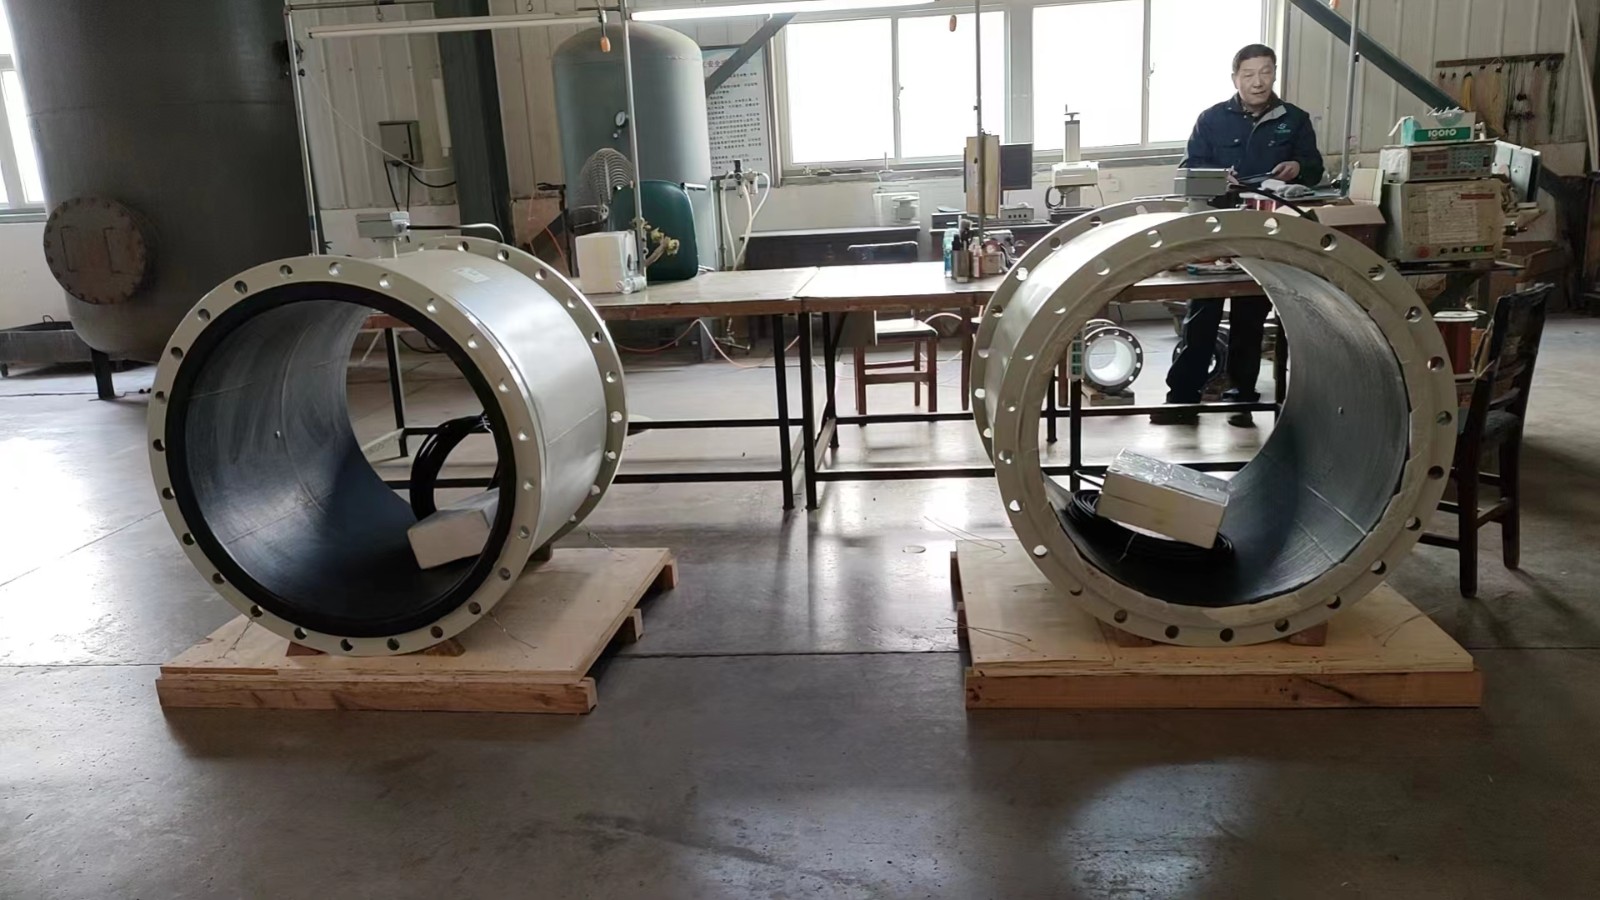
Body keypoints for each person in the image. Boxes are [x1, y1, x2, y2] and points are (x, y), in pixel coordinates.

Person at [1154, 43, 1324, 427]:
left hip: (1265, 230)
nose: (1257, 81)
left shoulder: (1294, 119)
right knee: (1202, 313)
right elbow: (1190, 170)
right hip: (1216, 227)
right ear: (1235, 79)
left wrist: (1298, 167)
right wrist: (1218, 178)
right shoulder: (1212, 119)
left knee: (1251, 314)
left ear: (1274, 73)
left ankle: (1241, 398)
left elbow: (1314, 167)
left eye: (1265, 72)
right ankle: (1182, 398)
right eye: (1248, 74)